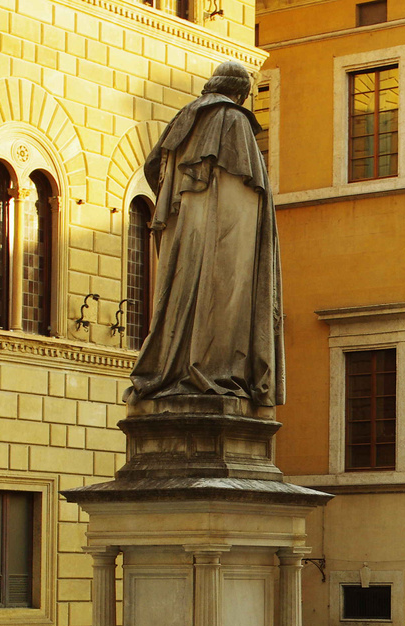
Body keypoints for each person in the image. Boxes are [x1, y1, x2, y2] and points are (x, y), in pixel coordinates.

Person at [127, 61, 283, 405]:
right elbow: (249, 196)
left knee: (180, 300)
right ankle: (214, 370)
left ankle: (175, 367)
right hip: (225, 240)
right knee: (221, 301)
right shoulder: (236, 121)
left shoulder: (182, 120)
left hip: (182, 239)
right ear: (240, 93)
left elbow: (154, 168)